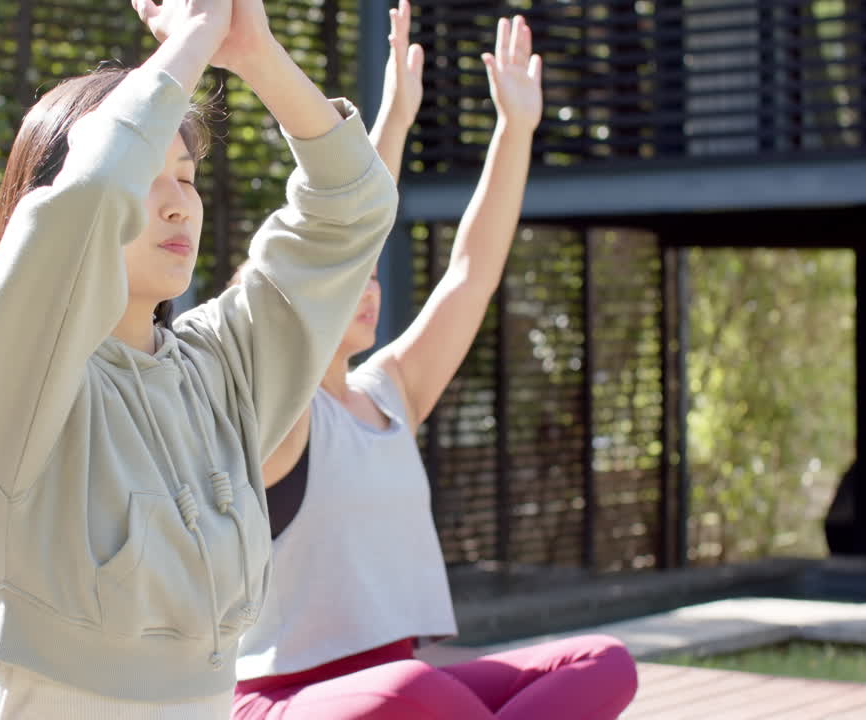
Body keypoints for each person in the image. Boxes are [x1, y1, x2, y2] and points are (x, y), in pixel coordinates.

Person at [0, 0, 398, 715]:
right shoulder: (16, 372)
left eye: (186, 176)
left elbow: (353, 210)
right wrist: (192, 40)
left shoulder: (221, 368)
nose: (178, 204)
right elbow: (89, 196)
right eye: (147, 176)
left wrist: (254, 53)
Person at [231, 6, 639, 719]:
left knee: (602, 664)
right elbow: (339, 234)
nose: (369, 284)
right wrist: (387, 128)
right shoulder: (281, 415)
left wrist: (515, 130)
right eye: (345, 277)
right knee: (414, 692)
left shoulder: (391, 391)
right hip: (284, 700)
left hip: (408, 691)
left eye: (371, 272)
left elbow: (470, 273)